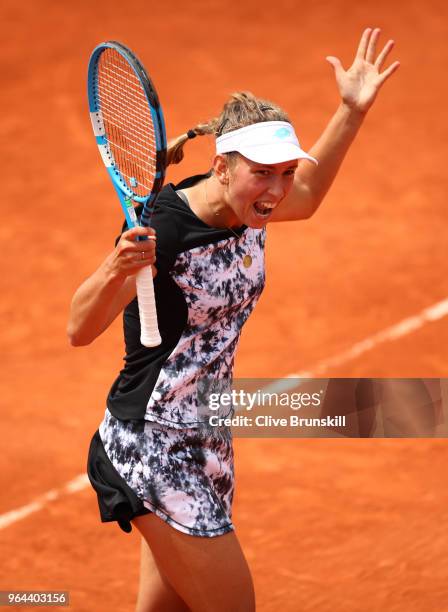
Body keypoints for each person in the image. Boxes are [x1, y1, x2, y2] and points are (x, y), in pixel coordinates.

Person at [68, 27, 399, 612]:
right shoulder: (163, 231)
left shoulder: (253, 212)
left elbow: (313, 193)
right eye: (263, 173)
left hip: (207, 436)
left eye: (285, 172)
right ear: (222, 166)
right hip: (152, 444)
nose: (277, 190)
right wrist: (115, 268)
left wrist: (350, 111)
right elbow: (79, 328)